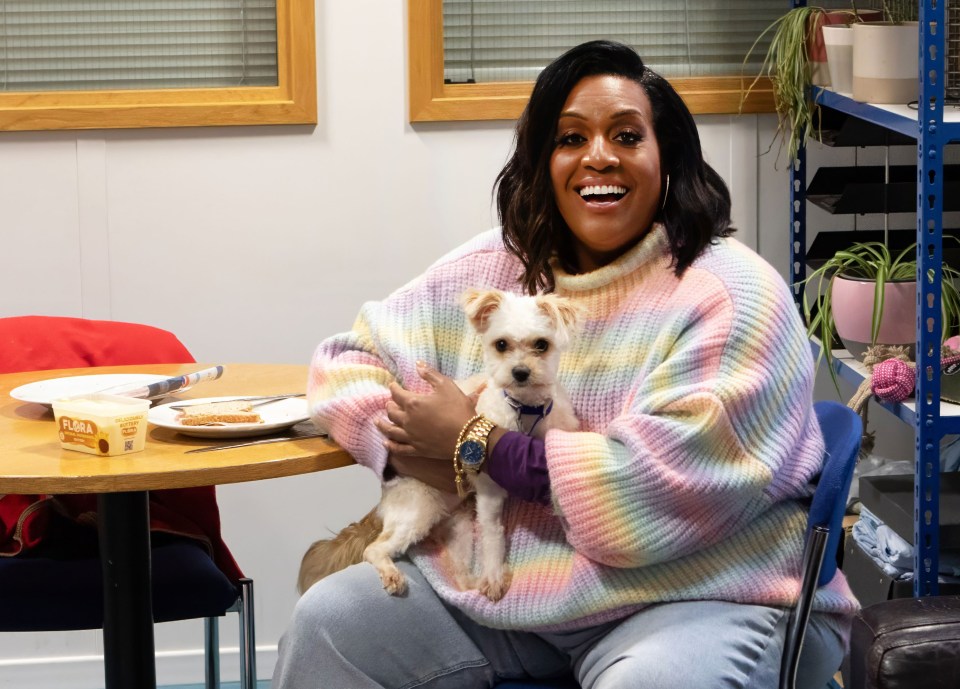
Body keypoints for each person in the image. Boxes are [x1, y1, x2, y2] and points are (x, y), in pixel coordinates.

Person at [272, 40, 858, 689]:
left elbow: (646, 492)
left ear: (668, 157)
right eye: (570, 138)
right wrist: (413, 448)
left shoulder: (734, 295)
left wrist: (476, 442)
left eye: (627, 136)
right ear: (542, 161)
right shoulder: (497, 267)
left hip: (701, 594)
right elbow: (346, 361)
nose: (598, 156)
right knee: (328, 622)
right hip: (508, 597)